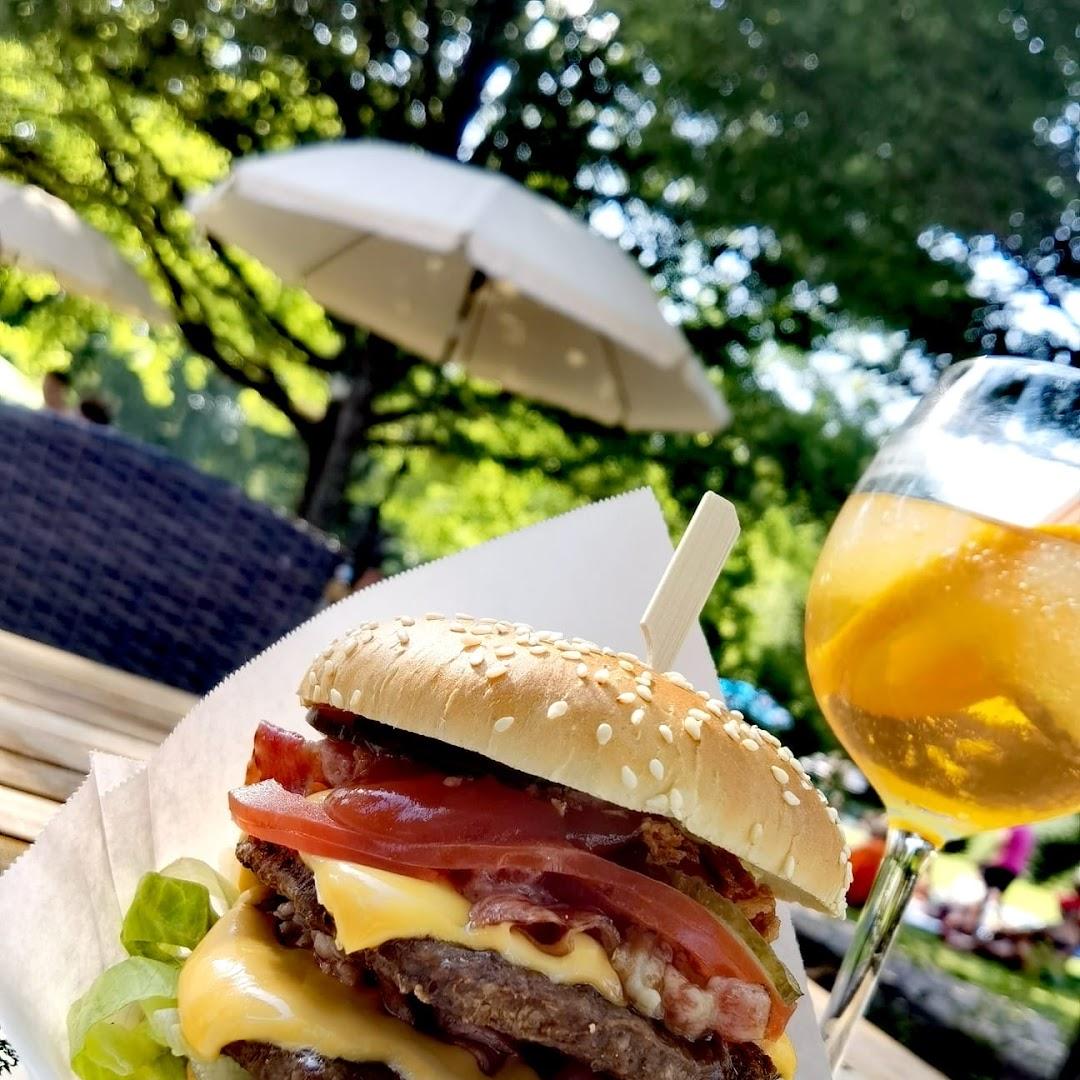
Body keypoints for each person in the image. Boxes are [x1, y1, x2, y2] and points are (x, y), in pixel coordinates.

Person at [977, 825, 1035, 938]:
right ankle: (990, 929)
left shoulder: (1013, 826)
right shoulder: (1029, 831)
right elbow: (1029, 853)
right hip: (1014, 868)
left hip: (1002, 863)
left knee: (989, 896)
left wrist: (989, 858)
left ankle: (981, 928)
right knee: (996, 897)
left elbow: (1002, 840)